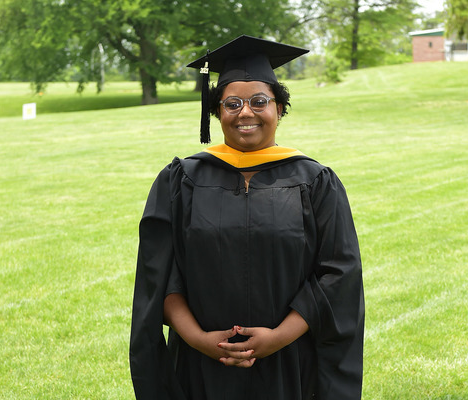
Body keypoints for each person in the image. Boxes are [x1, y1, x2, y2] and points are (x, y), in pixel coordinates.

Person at [129, 35, 365, 400]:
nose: (245, 113)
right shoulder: (181, 181)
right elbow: (158, 274)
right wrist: (199, 339)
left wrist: (279, 337)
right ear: (217, 111)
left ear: (279, 108)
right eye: (232, 103)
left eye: (259, 101)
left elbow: (338, 273)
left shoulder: (316, 182)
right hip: (200, 365)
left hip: (289, 363)